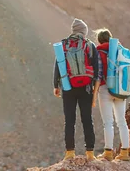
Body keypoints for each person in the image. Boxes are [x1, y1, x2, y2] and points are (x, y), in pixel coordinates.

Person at [53, 18, 100, 161]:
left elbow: (58, 66)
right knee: (87, 119)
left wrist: (56, 85)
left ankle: (69, 153)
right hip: (86, 88)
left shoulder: (64, 45)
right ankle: (90, 153)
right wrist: (94, 92)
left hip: (68, 87)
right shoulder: (89, 45)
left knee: (69, 120)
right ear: (84, 32)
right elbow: (96, 70)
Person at [94, 28, 130, 161]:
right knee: (122, 121)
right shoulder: (121, 50)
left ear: (99, 40)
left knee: (108, 123)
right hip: (120, 89)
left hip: (105, 89)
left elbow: (97, 74)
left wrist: (94, 93)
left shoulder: (98, 51)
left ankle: (108, 152)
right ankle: (125, 153)